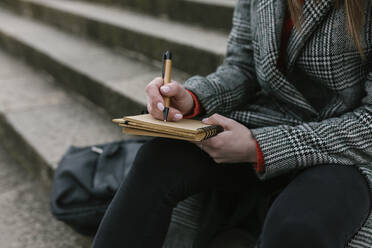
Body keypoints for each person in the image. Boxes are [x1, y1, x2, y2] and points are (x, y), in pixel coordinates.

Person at [92, 0, 372, 247]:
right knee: (159, 157)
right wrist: (191, 99)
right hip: (267, 121)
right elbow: (242, 65)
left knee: (296, 229)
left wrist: (260, 147)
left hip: (346, 150)